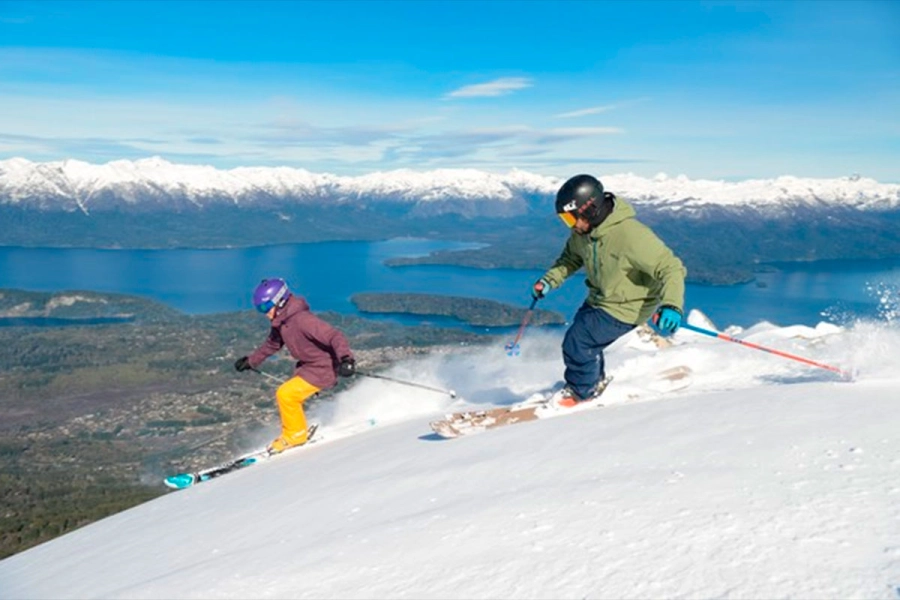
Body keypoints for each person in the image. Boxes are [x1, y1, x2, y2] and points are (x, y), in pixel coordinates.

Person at [532, 174, 686, 406]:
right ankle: (595, 381)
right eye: (565, 220)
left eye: (570, 218)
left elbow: (671, 267)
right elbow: (570, 258)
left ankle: (581, 394)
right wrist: (549, 281)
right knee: (586, 340)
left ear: (590, 209)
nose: (571, 225)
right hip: (599, 299)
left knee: (578, 342)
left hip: (626, 306)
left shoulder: (631, 235)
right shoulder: (584, 233)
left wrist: (672, 305)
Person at [234, 278, 356, 453]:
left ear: (279, 301)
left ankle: (296, 435)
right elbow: (272, 344)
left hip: (322, 368)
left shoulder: (302, 320)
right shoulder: (281, 322)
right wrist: (251, 361)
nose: (264, 313)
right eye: (260, 309)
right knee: (289, 394)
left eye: (266, 307)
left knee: (286, 394)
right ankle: (296, 430)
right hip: (308, 367)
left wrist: (346, 359)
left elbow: (334, 336)